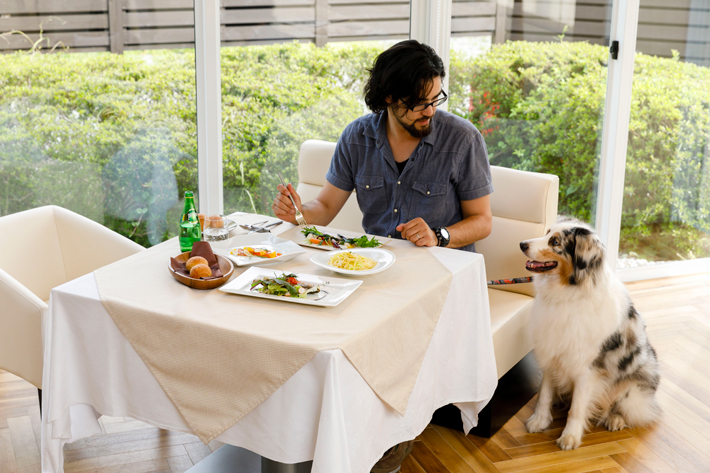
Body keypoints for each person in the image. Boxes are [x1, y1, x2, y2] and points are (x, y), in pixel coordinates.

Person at [273, 39, 493, 251]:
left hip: (442, 265)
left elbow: (482, 221)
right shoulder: (356, 137)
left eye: (435, 99)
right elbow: (326, 207)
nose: (430, 111)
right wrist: (298, 213)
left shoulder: (463, 139)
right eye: (419, 103)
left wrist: (438, 235)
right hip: (374, 262)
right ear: (389, 97)